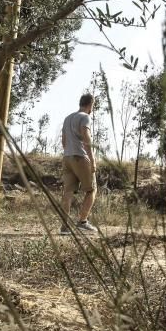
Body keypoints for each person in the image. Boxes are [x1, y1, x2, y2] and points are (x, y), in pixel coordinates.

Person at [60, 93, 98, 233]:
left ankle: (65, 226)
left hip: (67, 157)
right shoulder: (85, 117)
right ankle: (82, 221)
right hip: (80, 157)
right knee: (91, 189)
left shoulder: (67, 118)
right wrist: (92, 160)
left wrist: (70, 151)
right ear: (90, 104)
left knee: (68, 192)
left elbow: (63, 142)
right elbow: (86, 138)